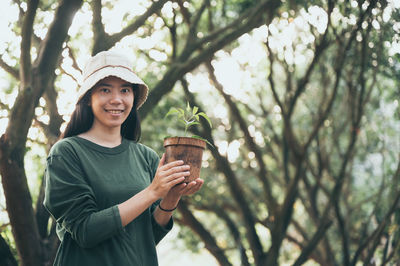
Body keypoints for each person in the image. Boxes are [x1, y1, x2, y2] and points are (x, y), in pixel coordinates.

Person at [43, 50, 204, 266]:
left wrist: (171, 197)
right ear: (88, 98)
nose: (117, 99)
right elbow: (85, 231)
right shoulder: (66, 153)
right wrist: (152, 192)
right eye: (105, 89)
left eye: (125, 90)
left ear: (133, 97)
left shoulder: (145, 156)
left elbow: (147, 237)